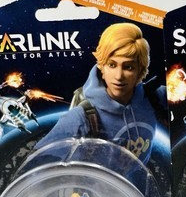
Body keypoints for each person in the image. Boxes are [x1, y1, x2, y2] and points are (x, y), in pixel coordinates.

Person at [36, 23, 165, 165]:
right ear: (101, 67)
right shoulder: (81, 118)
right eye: (112, 65)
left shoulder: (155, 98)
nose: (119, 76)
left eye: (128, 67)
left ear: (140, 70)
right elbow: (37, 160)